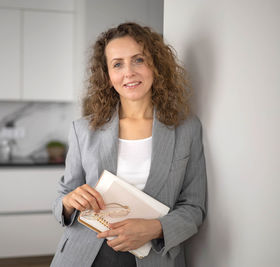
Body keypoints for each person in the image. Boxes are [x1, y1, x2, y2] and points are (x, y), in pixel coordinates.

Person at [51, 22, 207, 267]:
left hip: (155, 256)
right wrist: (69, 202)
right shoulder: (82, 130)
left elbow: (194, 207)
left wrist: (155, 228)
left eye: (138, 60)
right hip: (85, 255)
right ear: (107, 75)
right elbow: (63, 196)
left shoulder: (187, 128)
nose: (129, 72)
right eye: (117, 64)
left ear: (155, 64)